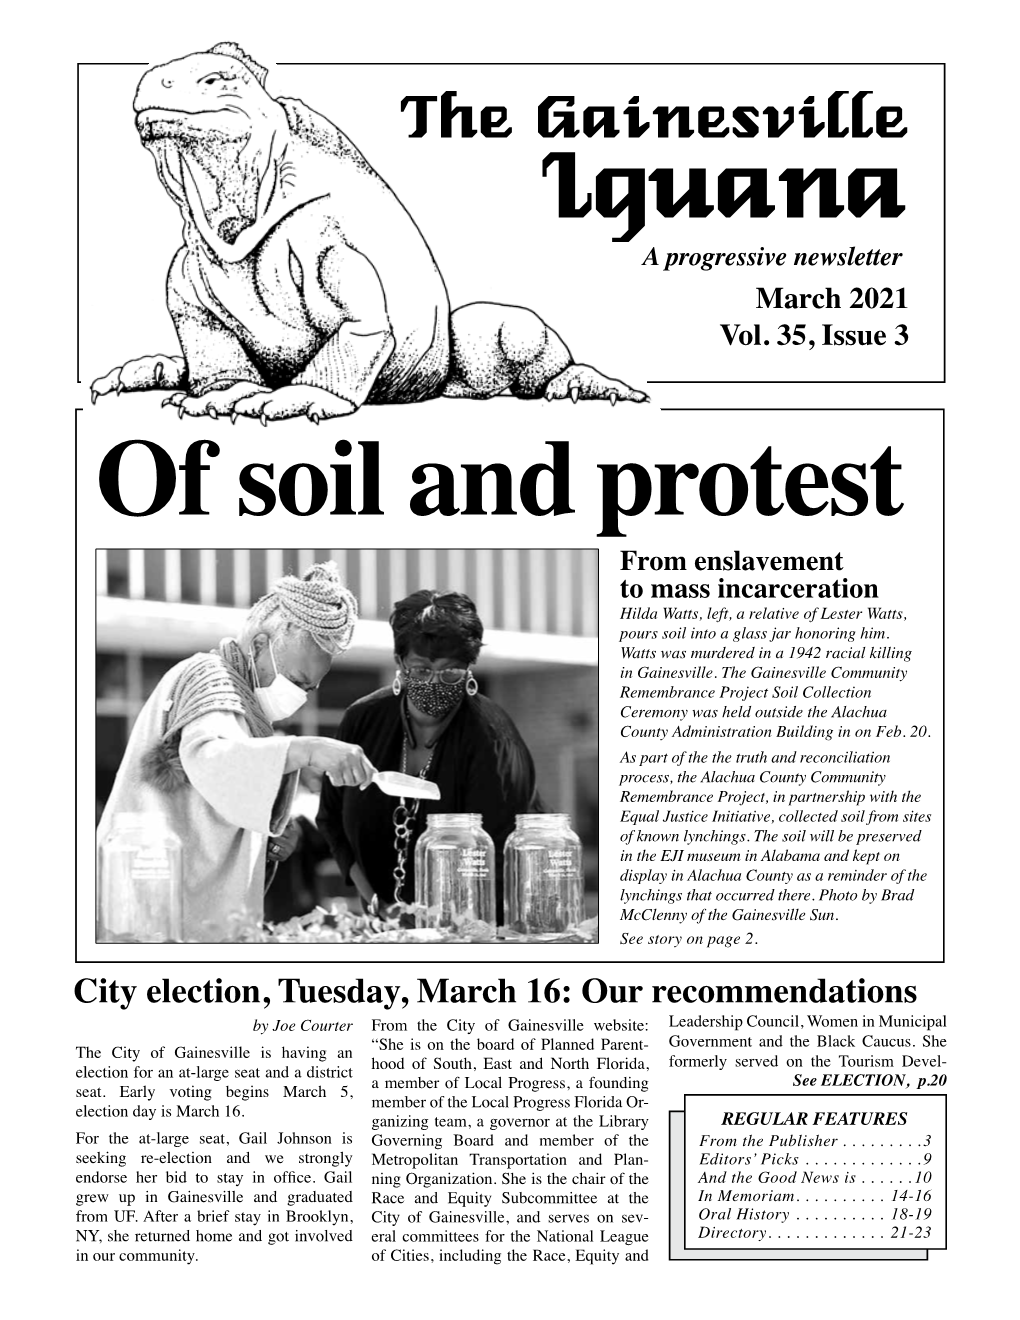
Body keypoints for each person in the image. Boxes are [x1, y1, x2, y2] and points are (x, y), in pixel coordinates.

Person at [97, 562, 375, 941]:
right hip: (150, 917)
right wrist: (307, 748)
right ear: (259, 646)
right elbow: (213, 762)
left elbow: (213, 796)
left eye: (307, 689)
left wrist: (268, 832)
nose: (299, 697)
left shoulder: (243, 705)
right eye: (296, 680)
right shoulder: (209, 675)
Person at [317, 589, 539, 922]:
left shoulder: (493, 739)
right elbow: (331, 819)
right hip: (383, 920)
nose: (434, 683)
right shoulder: (363, 720)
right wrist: (378, 905)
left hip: (473, 924)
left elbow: (497, 854)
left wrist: (441, 925)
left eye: (450, 673)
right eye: (420, 670)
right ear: (399, 662)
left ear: (469, 670)